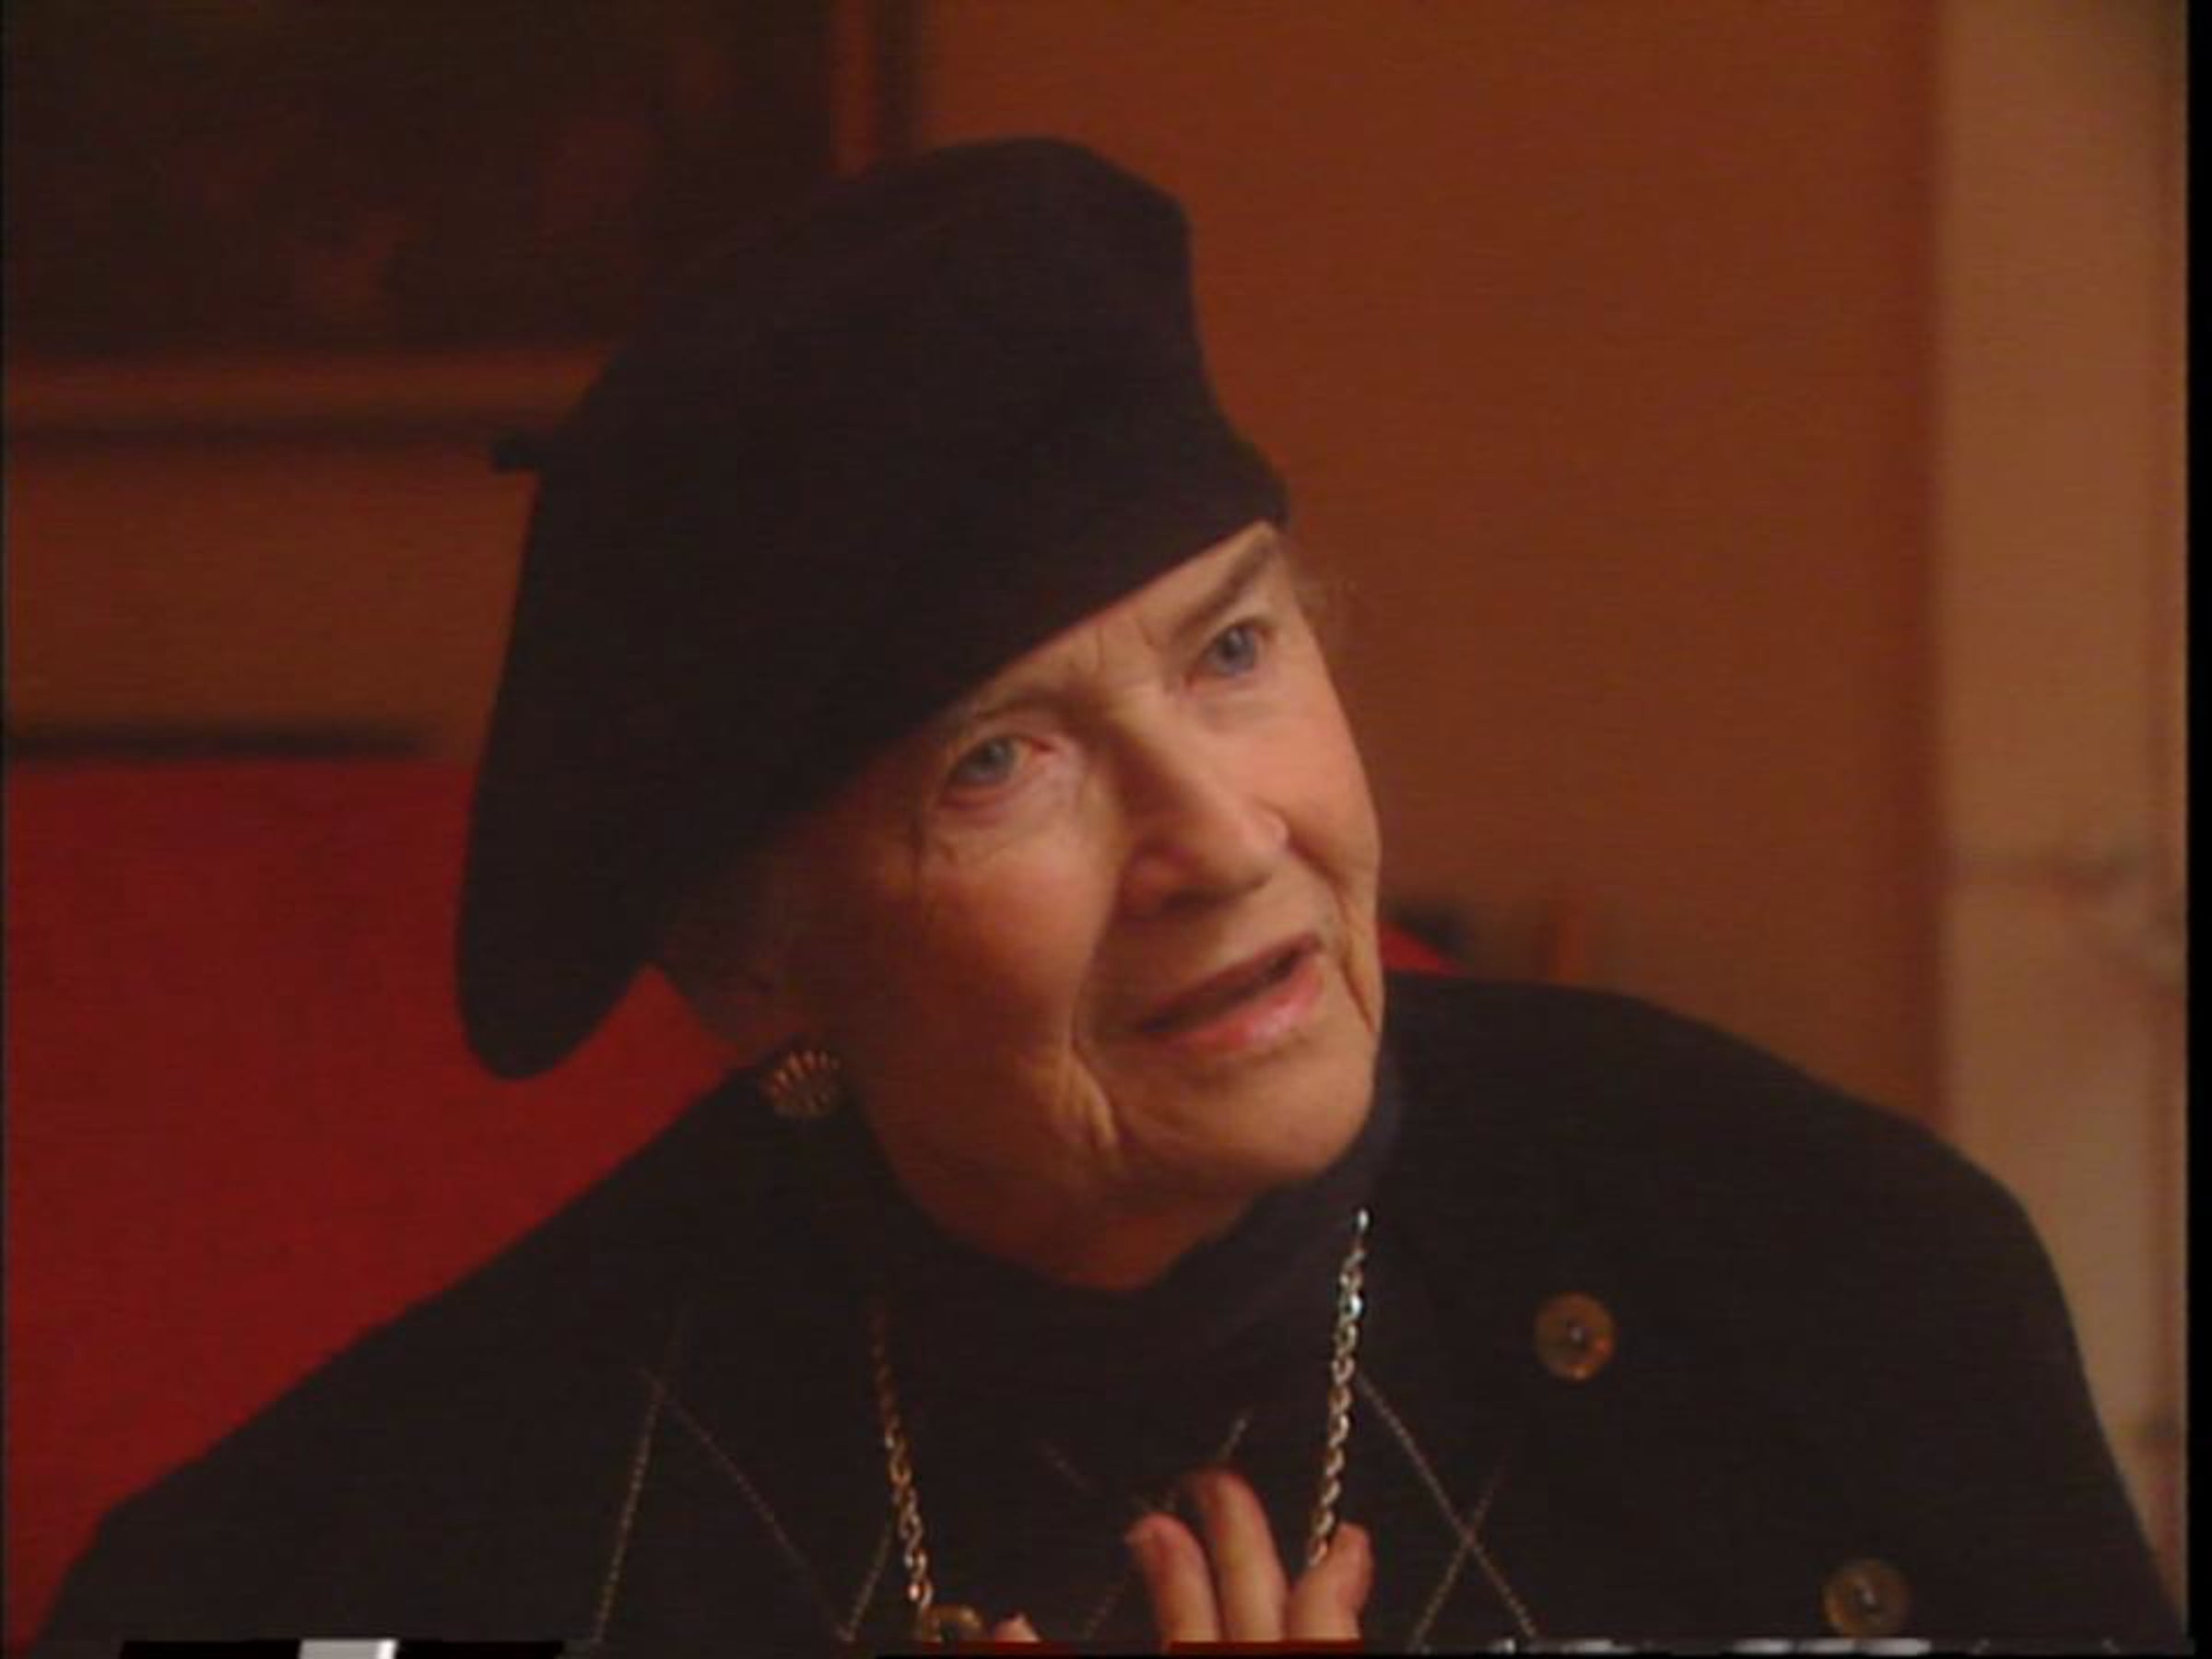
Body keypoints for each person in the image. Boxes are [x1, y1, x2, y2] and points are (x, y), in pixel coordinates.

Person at [36, 138, 2178, 1654]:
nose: (1223, 840)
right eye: (1003, 764)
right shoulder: (389, 1545)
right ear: (763, 970)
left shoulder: (1827, 1279)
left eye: (1232, 648)